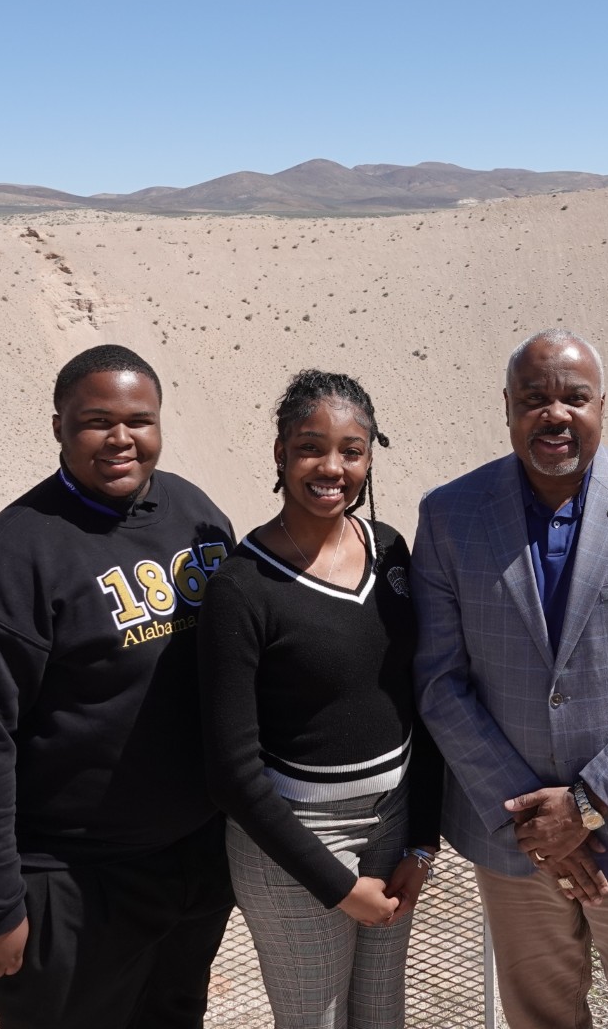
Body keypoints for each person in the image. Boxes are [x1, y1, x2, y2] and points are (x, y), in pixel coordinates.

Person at [412, 329, 608, 1029]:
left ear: (602, 406)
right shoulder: (449, 515)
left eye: (574, 398)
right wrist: (533, 822)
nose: (554, 414)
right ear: (507, 407)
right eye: (534, 398)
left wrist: (585, 806)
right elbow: (440, 681)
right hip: (513, 844)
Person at [0, 345, 237, 1029]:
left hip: (193, 864)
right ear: (59, 426)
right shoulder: (5, 567)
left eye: (139, 420)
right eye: (96, 421)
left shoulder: (193, 511)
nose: (121, 439)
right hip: (70, 882)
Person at [201, 370, 444, 1029]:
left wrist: (422, 844)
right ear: (279, 454)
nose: (331, 466)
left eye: (352, 449)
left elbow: (416, 703)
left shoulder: (391, 550)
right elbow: (232, 770)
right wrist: (335, 884)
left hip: (392, 829)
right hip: (295, 840)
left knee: (381, 1016)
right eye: (311, 447)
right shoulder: (243, 588)